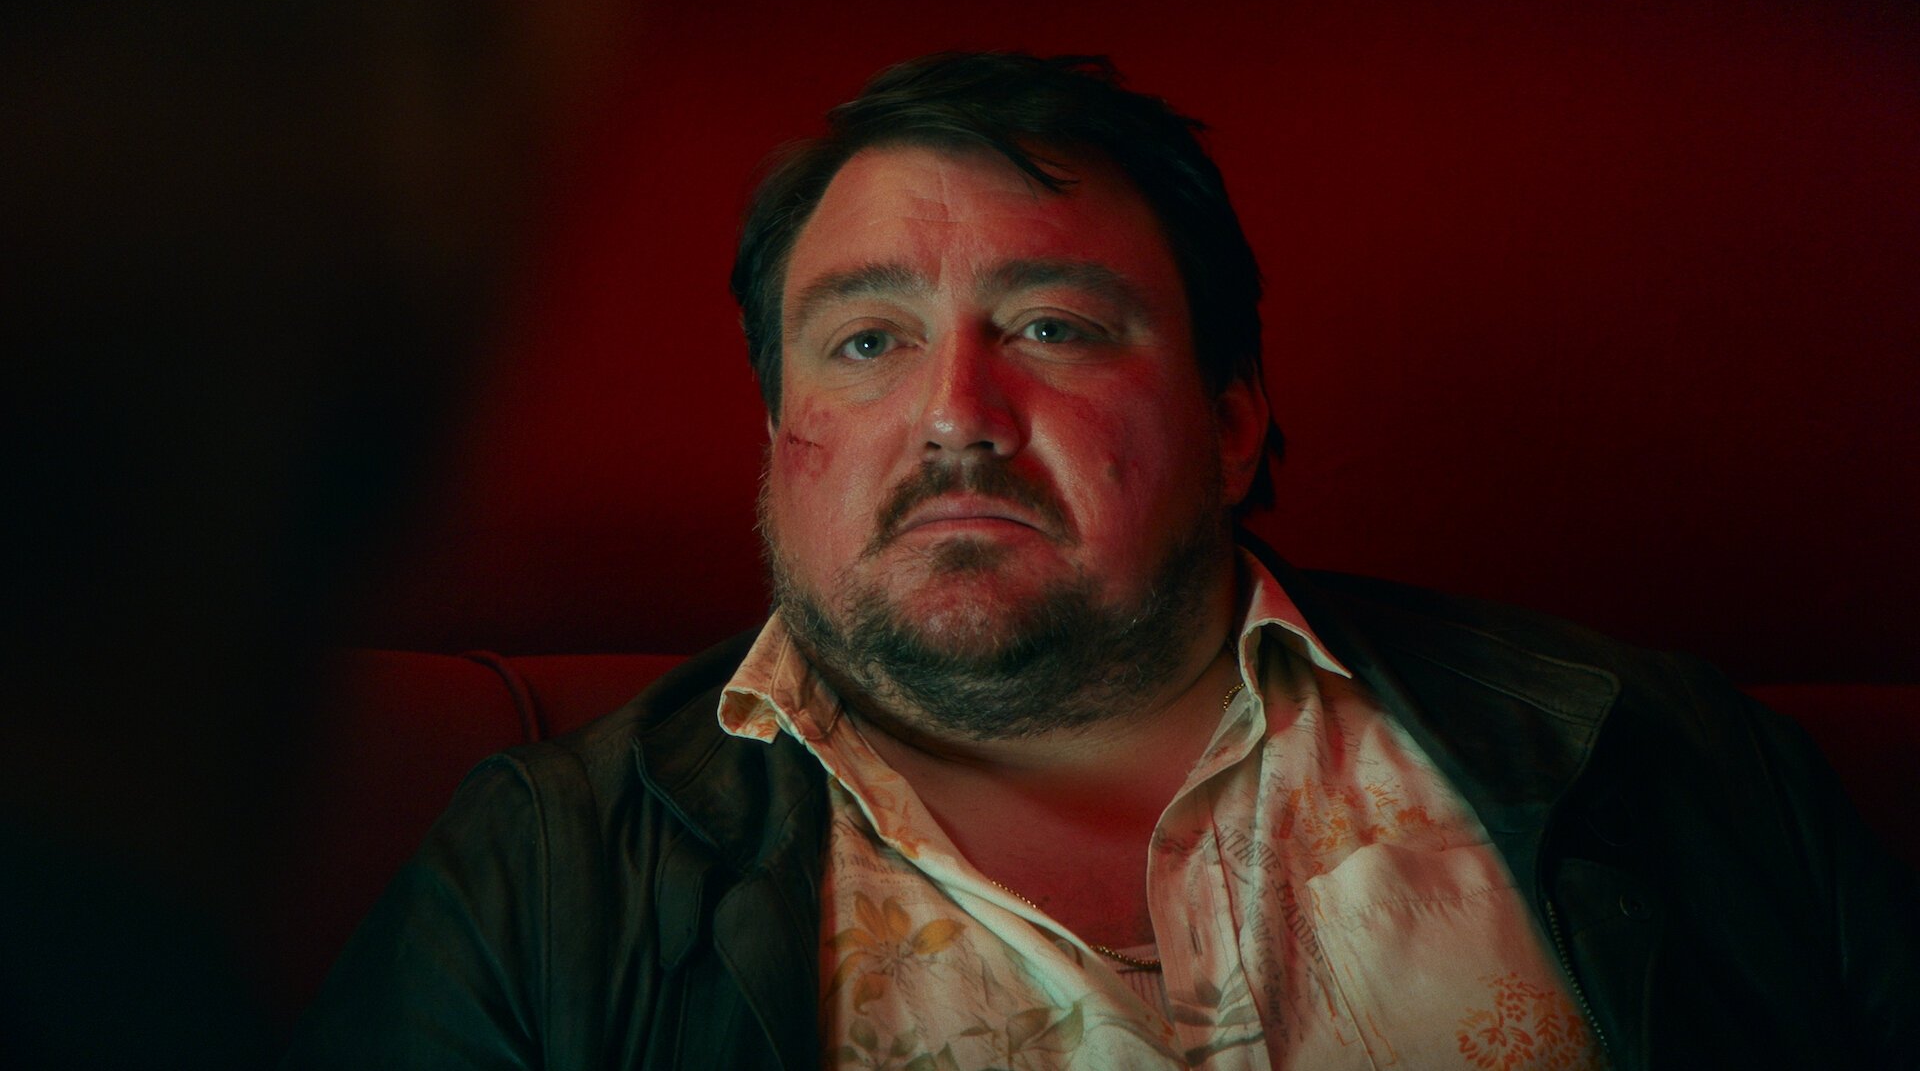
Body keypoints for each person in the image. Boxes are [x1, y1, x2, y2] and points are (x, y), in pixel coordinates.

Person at [284, 52, 1918, 1070]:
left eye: (1055, 326)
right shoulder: (540, 879)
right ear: (783, 439)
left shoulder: (1677, 767)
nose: (957, 415)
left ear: (1230, 422)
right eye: (866, 341)